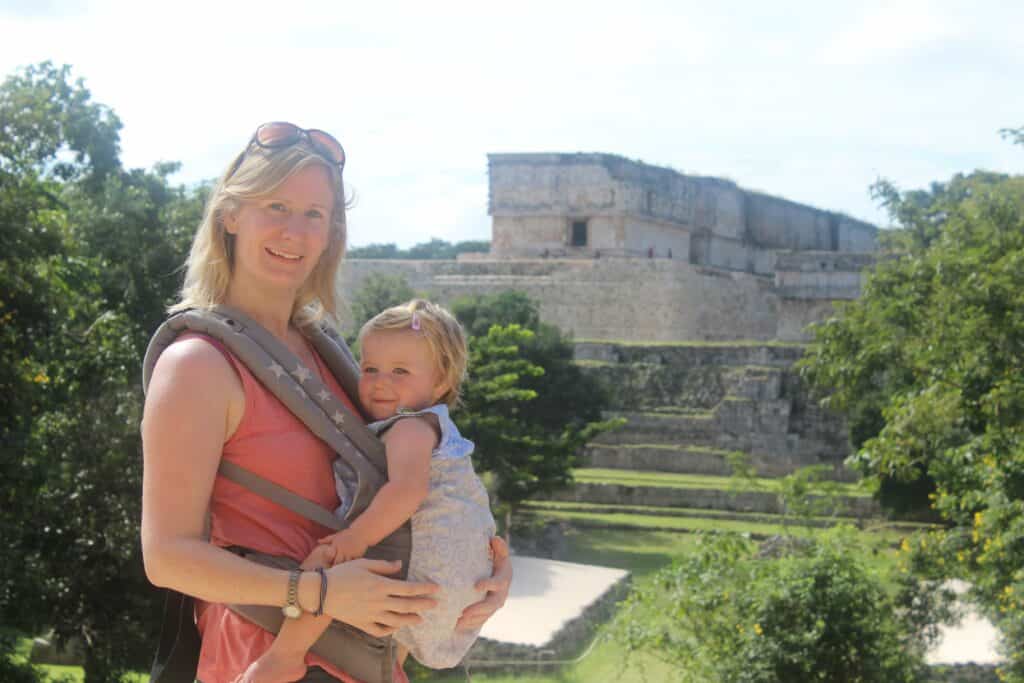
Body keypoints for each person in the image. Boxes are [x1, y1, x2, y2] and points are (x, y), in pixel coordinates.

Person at [141, 122, 511, 683]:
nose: (295, 231)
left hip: (364, 649)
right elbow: (167, 557)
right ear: (230, 214)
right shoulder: (198, 365)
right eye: (277, 206)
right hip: (269, 655)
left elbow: (413, 480)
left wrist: (480, 576)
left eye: (315, 213)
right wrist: (316, 592)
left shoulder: (330, 351)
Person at [251, 299, 495, 680]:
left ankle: (284, 655)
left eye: (400, 371)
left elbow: (407, 491)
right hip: (454, 589)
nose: (381, 381)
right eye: (370, 369)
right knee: (389, 629)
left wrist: (355, 538)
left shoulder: (412, 427)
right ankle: (387, 669)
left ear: (442, 381)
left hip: (429, 573)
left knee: (331, 565)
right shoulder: (439, 426)